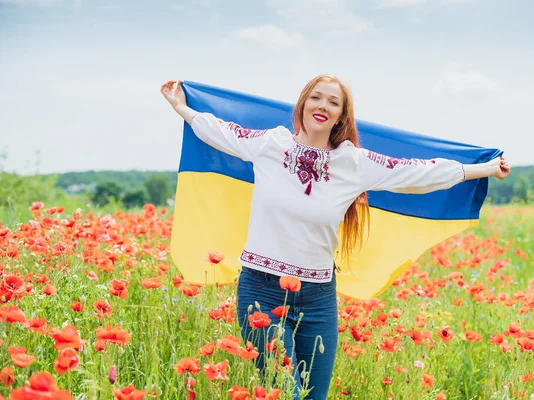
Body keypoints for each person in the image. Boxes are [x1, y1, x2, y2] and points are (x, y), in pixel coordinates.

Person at [160, 74, 510, 399]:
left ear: (341, 115)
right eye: (316, 97)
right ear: (302, 105)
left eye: (332, 102)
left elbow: (417, 173)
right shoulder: (271, 144)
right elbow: (220, 131)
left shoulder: (353, 163)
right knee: (287, 393)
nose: (322, 106)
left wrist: (483, 169)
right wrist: (181, 107)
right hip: (261, 292)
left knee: (313, 396)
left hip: (317, 299)